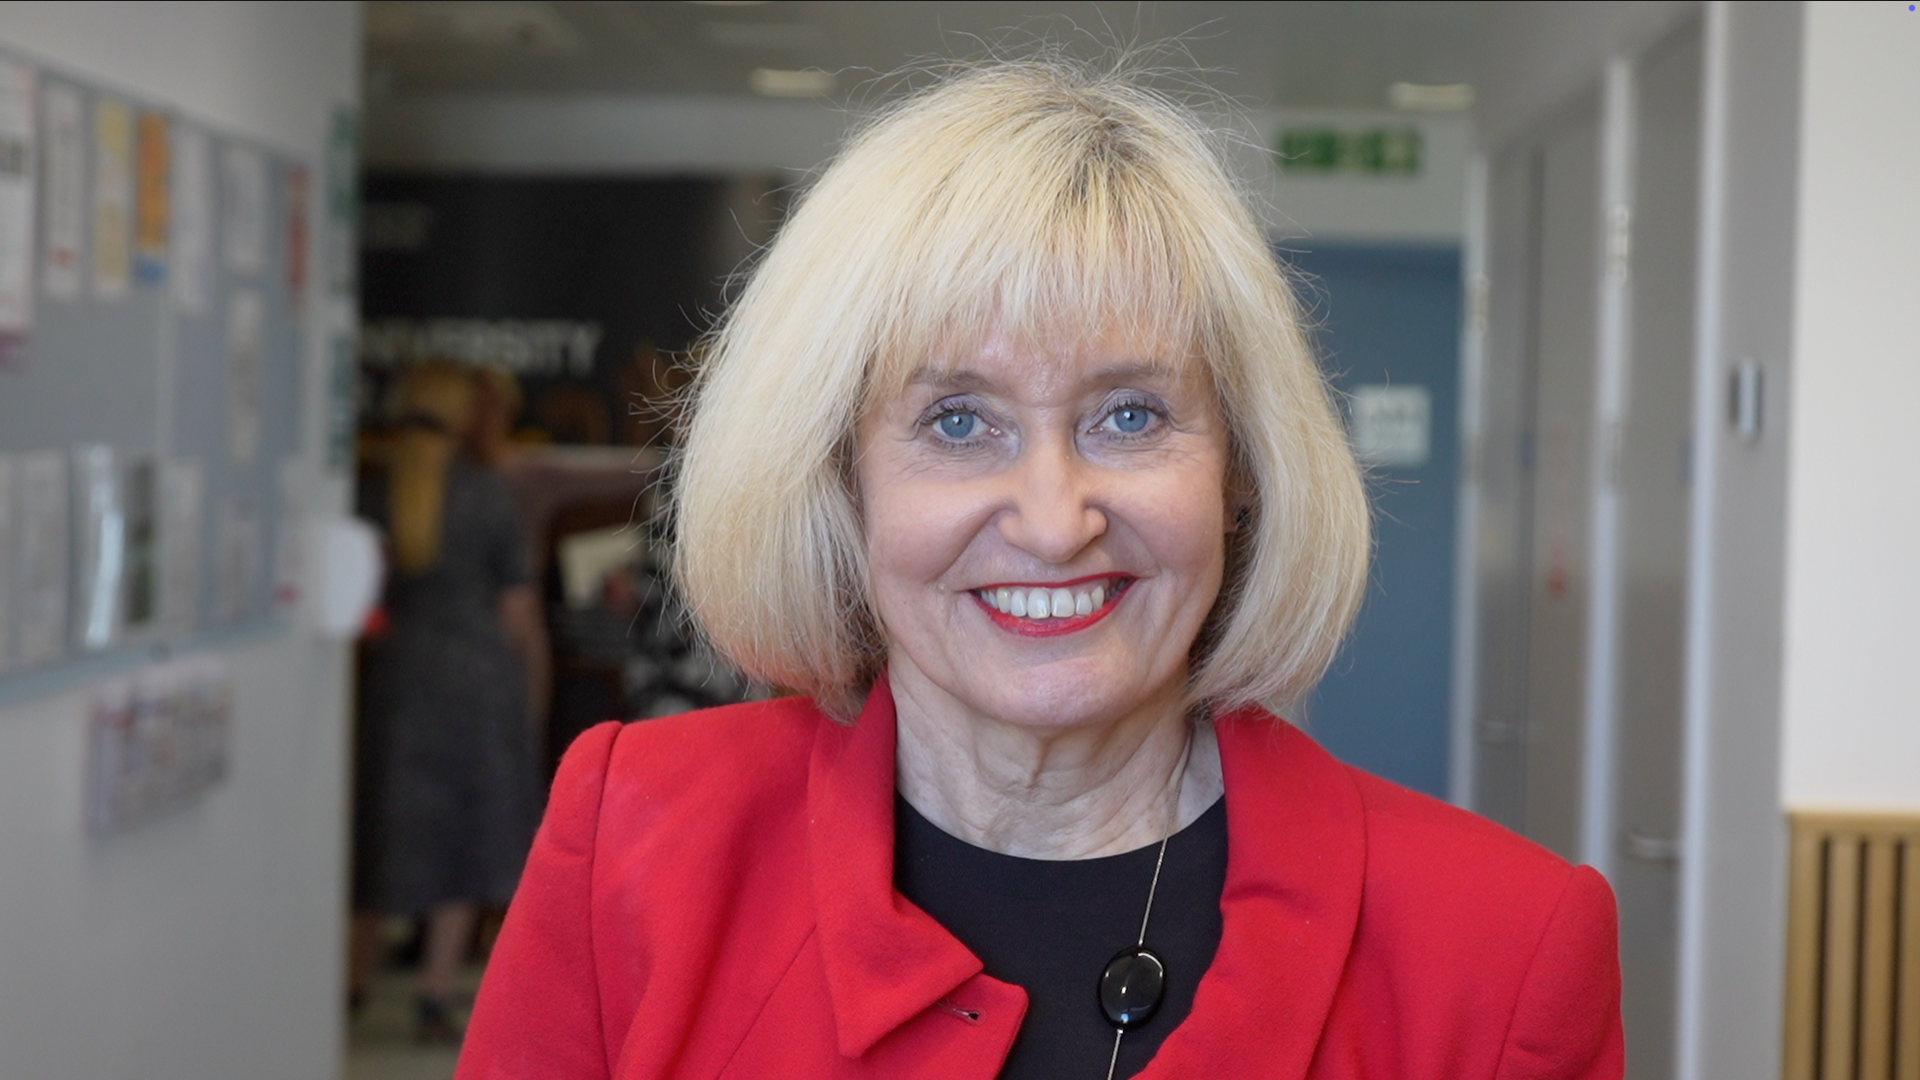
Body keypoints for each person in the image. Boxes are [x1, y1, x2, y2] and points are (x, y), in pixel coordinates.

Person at [457, 59, 1623, 1078]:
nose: (1056, 521)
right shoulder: (635, 844)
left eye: (1129, 415)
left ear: (1242, 473)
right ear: (840, 477)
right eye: (960, 422)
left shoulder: (1502, 945)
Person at [351, 363, 549, 1041]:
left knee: (385, 824)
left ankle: (350, 983)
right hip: (477, 679)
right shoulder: (486, 494)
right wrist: (533, 679)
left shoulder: (376, 491)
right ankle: (435, 993)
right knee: (471, 831)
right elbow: (517, 608)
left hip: (399, 679)